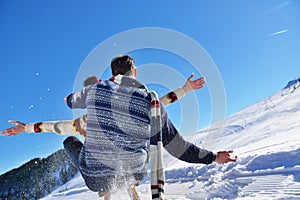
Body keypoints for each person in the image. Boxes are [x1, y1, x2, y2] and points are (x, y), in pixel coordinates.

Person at [2, 55, 237, 200]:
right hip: (135, 171)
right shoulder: (148, 102)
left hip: (96, 179)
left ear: (112, 75)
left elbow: (60, 127)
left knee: (68, 141)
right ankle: (128, 184)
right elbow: (176, 144)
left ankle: (109, 188)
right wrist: (213, 157)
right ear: (134, 74)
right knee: (139, 145)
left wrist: (27, 128)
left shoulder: (93, 104)